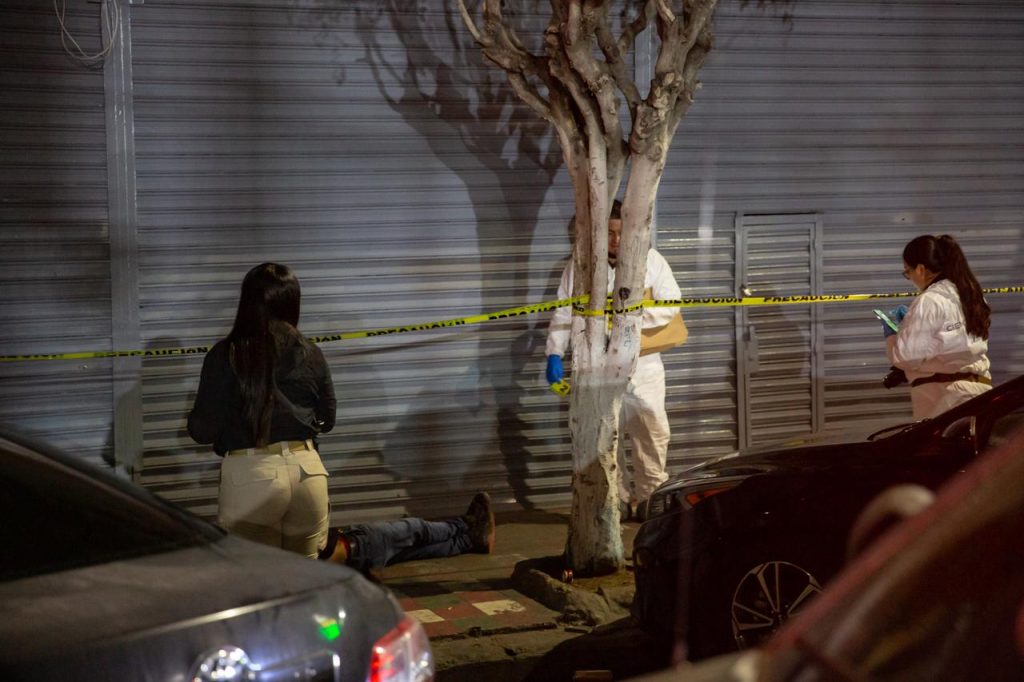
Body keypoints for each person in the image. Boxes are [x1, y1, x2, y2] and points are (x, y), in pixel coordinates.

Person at [545, 200, 682, 521]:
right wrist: (554, 352)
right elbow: (564, 312)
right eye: (609, 233)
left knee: (652, 432)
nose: (616, 240)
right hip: (597, 367)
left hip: (643, 366)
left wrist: (626, 319)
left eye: (621, 232)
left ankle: (651, 499)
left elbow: (671, 305)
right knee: (606, 436)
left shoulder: (651, 261)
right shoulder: (580, 266)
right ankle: (615, 500)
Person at [188, 263, 336, 559]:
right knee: (303, 581)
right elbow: (327, 420)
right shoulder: (311, 352)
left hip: (252, 475)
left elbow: (202, 430)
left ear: (247, 303)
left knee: (256, 583)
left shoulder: (225, 354)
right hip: (308, 473)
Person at [883, 234, 992, 420]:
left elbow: (906, 357)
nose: (909, 277)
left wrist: (893, 333)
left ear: (921, 269)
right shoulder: (971, 295)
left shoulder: (930, 300)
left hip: (946, 398)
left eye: (907, 271)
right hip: (979, 391)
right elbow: (947, 343)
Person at [319, 492, 495, 573]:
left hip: (359, 559)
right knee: (416, 529)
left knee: (418, 551)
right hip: (360, 545)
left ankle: (472, 542)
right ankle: (465, 523)